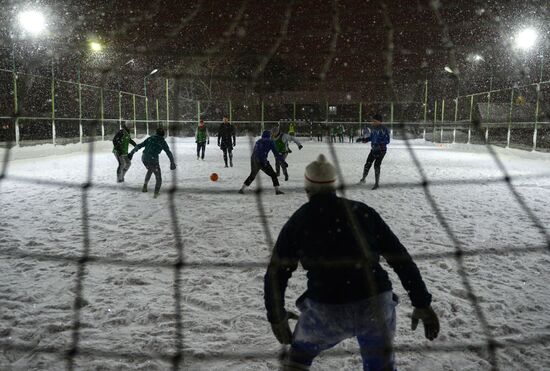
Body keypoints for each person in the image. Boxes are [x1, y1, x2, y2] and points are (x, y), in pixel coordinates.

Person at [264, 154, 439, 371]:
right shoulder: (363, 212)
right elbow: (400, 259)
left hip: (327, 310)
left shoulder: (299, 220)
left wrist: (276, 316)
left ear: (307, 189)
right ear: (334, 186)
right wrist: (422, 302)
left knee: (298, 359)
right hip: (376, 303)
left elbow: (276, 273)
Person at [128, 127, 176, 198]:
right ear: (163, 134)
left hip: (144, 159)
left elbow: (139, 146)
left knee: (150, 170)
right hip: (153, 160)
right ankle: (156, 194)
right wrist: (172, 162)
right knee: (158, 178)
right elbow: (168, 152)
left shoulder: (150, 138)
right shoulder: (162, 141)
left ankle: (145, 186)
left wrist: (131, 153)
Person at [239, 130, 287, 195]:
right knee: (273, 175)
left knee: (252, 175)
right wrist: (283, 161)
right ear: (269, 136)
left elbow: (256, 152)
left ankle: (242, 189)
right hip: (262, 160)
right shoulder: (270, 142)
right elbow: (276, 154)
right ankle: (277, 191)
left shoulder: (258, 141)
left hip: (253, 159)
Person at [359, 114, 390, 190]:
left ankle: (376, 183)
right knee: (367, 164)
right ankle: (363, 179)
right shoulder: (373, 128)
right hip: (373, 150)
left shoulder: (384, 129)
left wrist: (379, 145)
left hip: (381, 150)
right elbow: (371, 138)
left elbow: (387, 140)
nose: (372, 122)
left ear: (379, 121)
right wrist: (364, 139)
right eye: (372, 121)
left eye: (374, 121)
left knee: (376, 165)